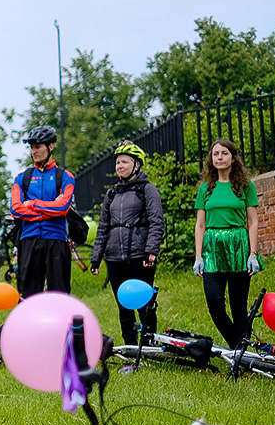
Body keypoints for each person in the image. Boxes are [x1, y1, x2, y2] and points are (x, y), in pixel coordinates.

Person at [89, 143, 165, 345]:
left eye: (125, 162)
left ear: (137, 165)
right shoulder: (111, 194)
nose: (120, 166)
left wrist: (151, 250)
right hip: (115, 258)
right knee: (124, 305)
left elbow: (157, 221)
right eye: (117, 162)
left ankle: (148, 344)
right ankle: (130, 345)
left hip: (140, 256)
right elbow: (103, 227)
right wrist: (96, 258)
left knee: (144, 304)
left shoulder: (147, 190)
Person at [193, 138, 261, 347]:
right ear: (211, 159)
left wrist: (252, 253)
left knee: (239, 306)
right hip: (212, 250)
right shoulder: (205, 189)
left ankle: (242, 355)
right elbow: (200, 225)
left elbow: (252, 221)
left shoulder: (245, 186)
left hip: (238, 247)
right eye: (215, 154)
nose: (219, 157)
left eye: (224, 153)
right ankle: (238, 346)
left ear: (233, 158)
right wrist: (198, 256)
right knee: (214, 303)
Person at [10, 125, 75, 296]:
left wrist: (31, 204)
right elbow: (16, 209)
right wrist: (48, 208)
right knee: (28, 294)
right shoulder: (22, 177)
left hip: (56, 240)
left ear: (50, 146)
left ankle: (60, 324)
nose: (34, 151)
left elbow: (62, 208)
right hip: (29, 240)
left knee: (59, 293)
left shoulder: (65, 176)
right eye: (31, 147)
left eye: (37, 146)